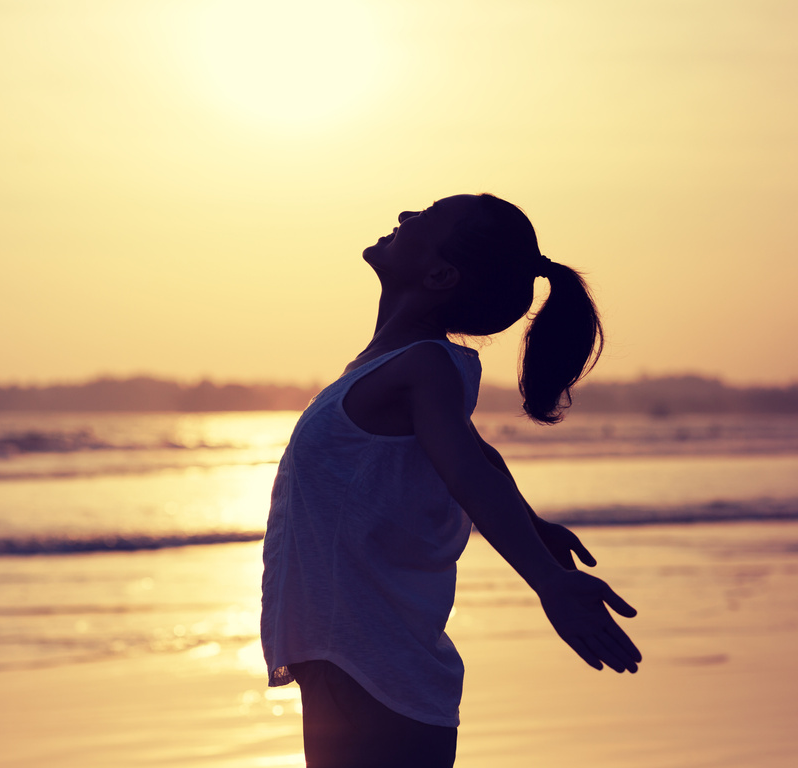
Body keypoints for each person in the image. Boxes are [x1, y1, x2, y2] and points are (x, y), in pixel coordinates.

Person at [261, 193, 641, 768]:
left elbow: (465, 467)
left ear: (440, 273)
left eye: (427, 217)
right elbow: (478, 457)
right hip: (356, 661)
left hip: (372, 668)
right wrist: (533, 528)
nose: (406, 215)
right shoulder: (393, 365)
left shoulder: (424, 366)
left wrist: (547, 580)